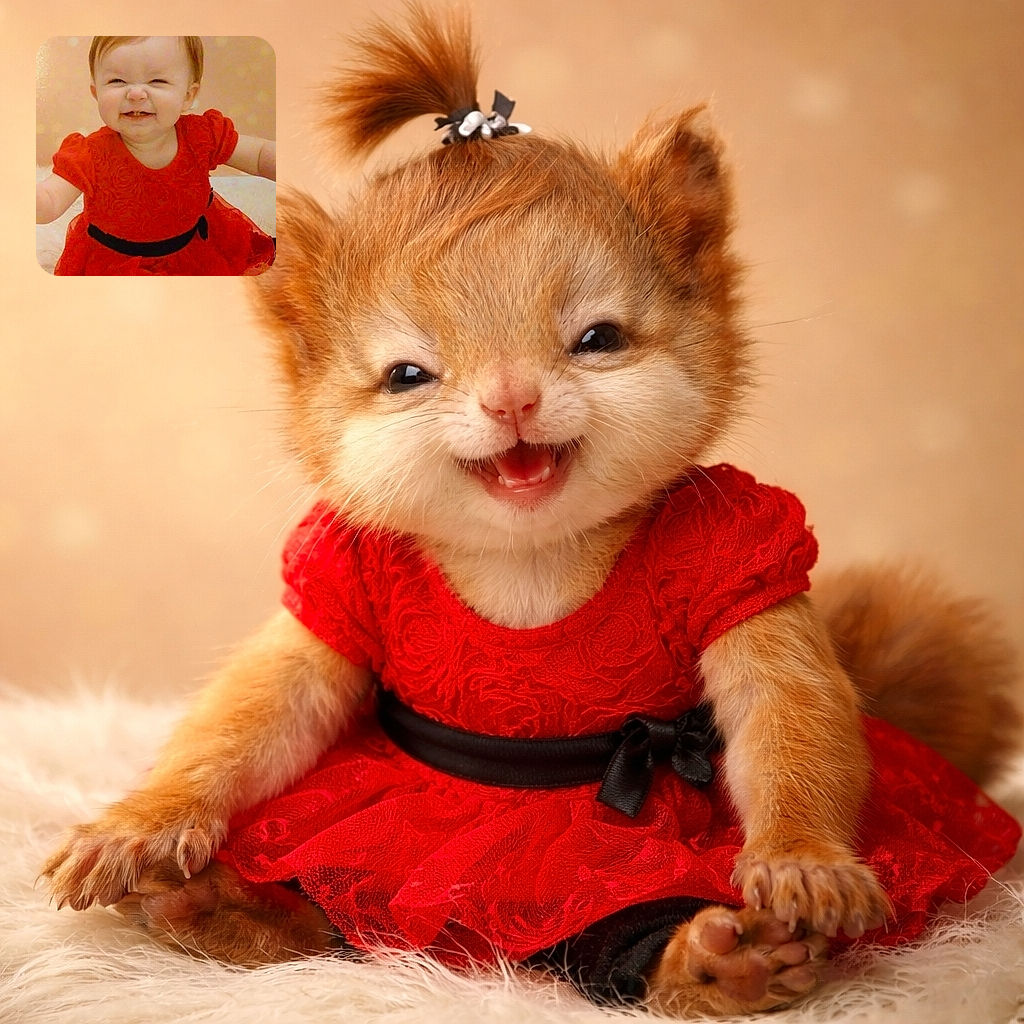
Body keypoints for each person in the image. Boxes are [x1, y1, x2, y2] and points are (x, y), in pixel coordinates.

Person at [36, 36, 276, 275]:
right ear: (96, 92)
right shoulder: (90, 153)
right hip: (115, 262)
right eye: (117, 81)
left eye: (157, 80)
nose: (136, 94)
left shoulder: (201, 135)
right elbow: (50, 200)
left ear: (188, 95)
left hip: (195, 250)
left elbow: (258, 156)